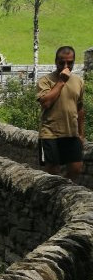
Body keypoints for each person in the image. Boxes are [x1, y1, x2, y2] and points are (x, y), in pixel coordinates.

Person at [37, 45, 85, 183]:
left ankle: (62, 193)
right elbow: (45, 103)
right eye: (62, 62)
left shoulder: (79, 81)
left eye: (70, 62)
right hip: (50, 134)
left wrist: (81, 134)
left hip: (71, 134)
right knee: (53, 174)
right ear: (55, 61)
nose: (66, 65)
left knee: (76, 169)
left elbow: (80, 107)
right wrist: (61, 81)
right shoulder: (45, 81)